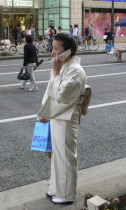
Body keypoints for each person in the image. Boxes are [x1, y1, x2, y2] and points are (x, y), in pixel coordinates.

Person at [37, 33, 87, 204]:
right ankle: (56, 189)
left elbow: (62, 95)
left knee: (65, 155)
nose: (53, 52)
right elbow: (50, 91)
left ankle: (66, 194)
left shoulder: (75, 70)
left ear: (68, 51)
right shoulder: (61, 65)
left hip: (66, 117)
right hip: (57, 115)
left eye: (56, 49)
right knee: (56, 155)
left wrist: (56, 72)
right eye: (53, 48)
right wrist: (44, 112)